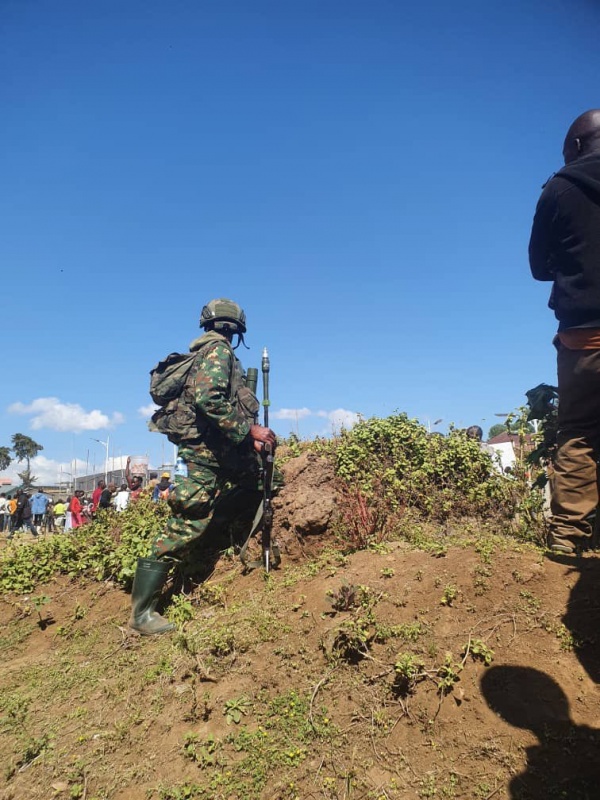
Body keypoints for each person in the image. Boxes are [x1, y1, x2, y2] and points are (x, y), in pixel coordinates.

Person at [129, 297, 277, 635]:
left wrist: (246, 440)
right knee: (187, 522)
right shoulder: (219, 352)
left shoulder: (208, 352)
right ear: (235, 328)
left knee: (265, 478)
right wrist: (249, 430)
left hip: (221, 453)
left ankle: (216, 528)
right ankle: (142, 614)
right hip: (204, 458)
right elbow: (208, 398)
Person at [529, 108, 600, 553]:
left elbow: (538, 267)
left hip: (585, 338)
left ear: (576, 146)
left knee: (578, 431)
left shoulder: (559, 187)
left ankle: (569, 536)